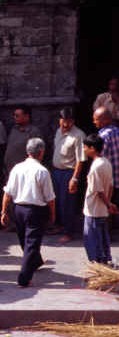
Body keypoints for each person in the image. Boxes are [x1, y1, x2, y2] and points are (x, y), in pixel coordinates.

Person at [1, 138, 56, 287]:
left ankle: (36, 262)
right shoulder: (42, 171)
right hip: (35, 210)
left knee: (25, 241)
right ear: (41, 153)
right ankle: (24, 279)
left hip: (18, 209)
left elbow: (8, 193)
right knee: (31, 244)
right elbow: (50, 198)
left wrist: (3, 211)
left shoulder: (17, 168)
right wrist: (52, 214)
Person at [50, 108, 86, 244]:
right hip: (56, 171)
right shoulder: (58, 131)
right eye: (63, 121)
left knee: (68, 203)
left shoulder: (78, 135)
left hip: (69, 173)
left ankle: (68, 232)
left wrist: (74, 179)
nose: (65, 125)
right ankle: (59, 226)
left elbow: (80, 159)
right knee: (57, 201)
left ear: (73, 121)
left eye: (68, 122)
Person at [82, 134, 116, 263]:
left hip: (93, 210)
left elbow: (99, 190)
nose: (84, 150)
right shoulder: (106, 162)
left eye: (85, 147)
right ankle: (104, 264)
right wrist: (109, 203)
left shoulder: (96, 166)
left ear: (92, 148)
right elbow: (110, 185)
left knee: (92, 241)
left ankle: (97, 266)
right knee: (102, 238)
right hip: (101, 210)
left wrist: (108, 204)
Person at [94, 107, 119, 208]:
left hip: (110, 184)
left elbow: (99, 160)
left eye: (96, 119)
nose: (94, 122)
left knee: (109, 212)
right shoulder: (117, 131)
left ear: (105, 120)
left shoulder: (102, 136)